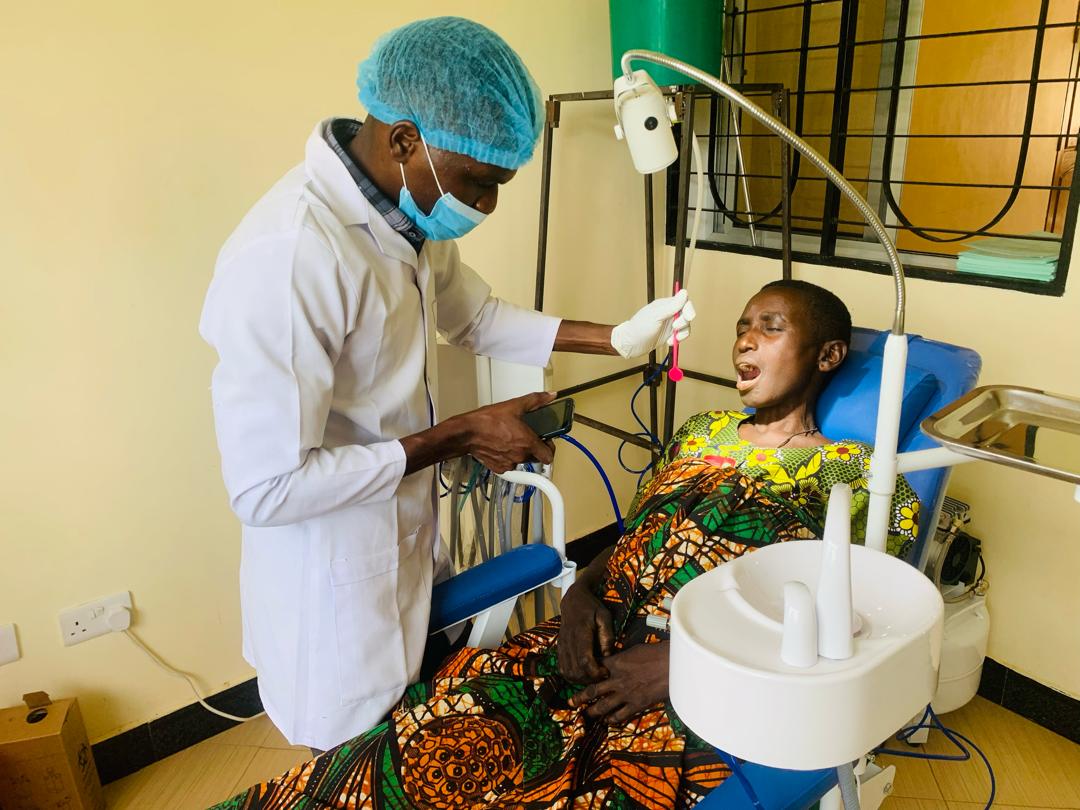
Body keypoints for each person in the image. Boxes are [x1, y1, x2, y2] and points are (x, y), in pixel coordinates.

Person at [209, 280, 921, 810]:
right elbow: (637, 538)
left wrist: (686, 667)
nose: (744, 341)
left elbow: (854, 621)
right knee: (414, 751)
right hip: (582, 641)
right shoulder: (699, 432)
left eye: (769, 327)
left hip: (702, 682)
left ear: (829, 354)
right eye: (742, 327)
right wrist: (580, 594)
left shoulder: (856, 475)